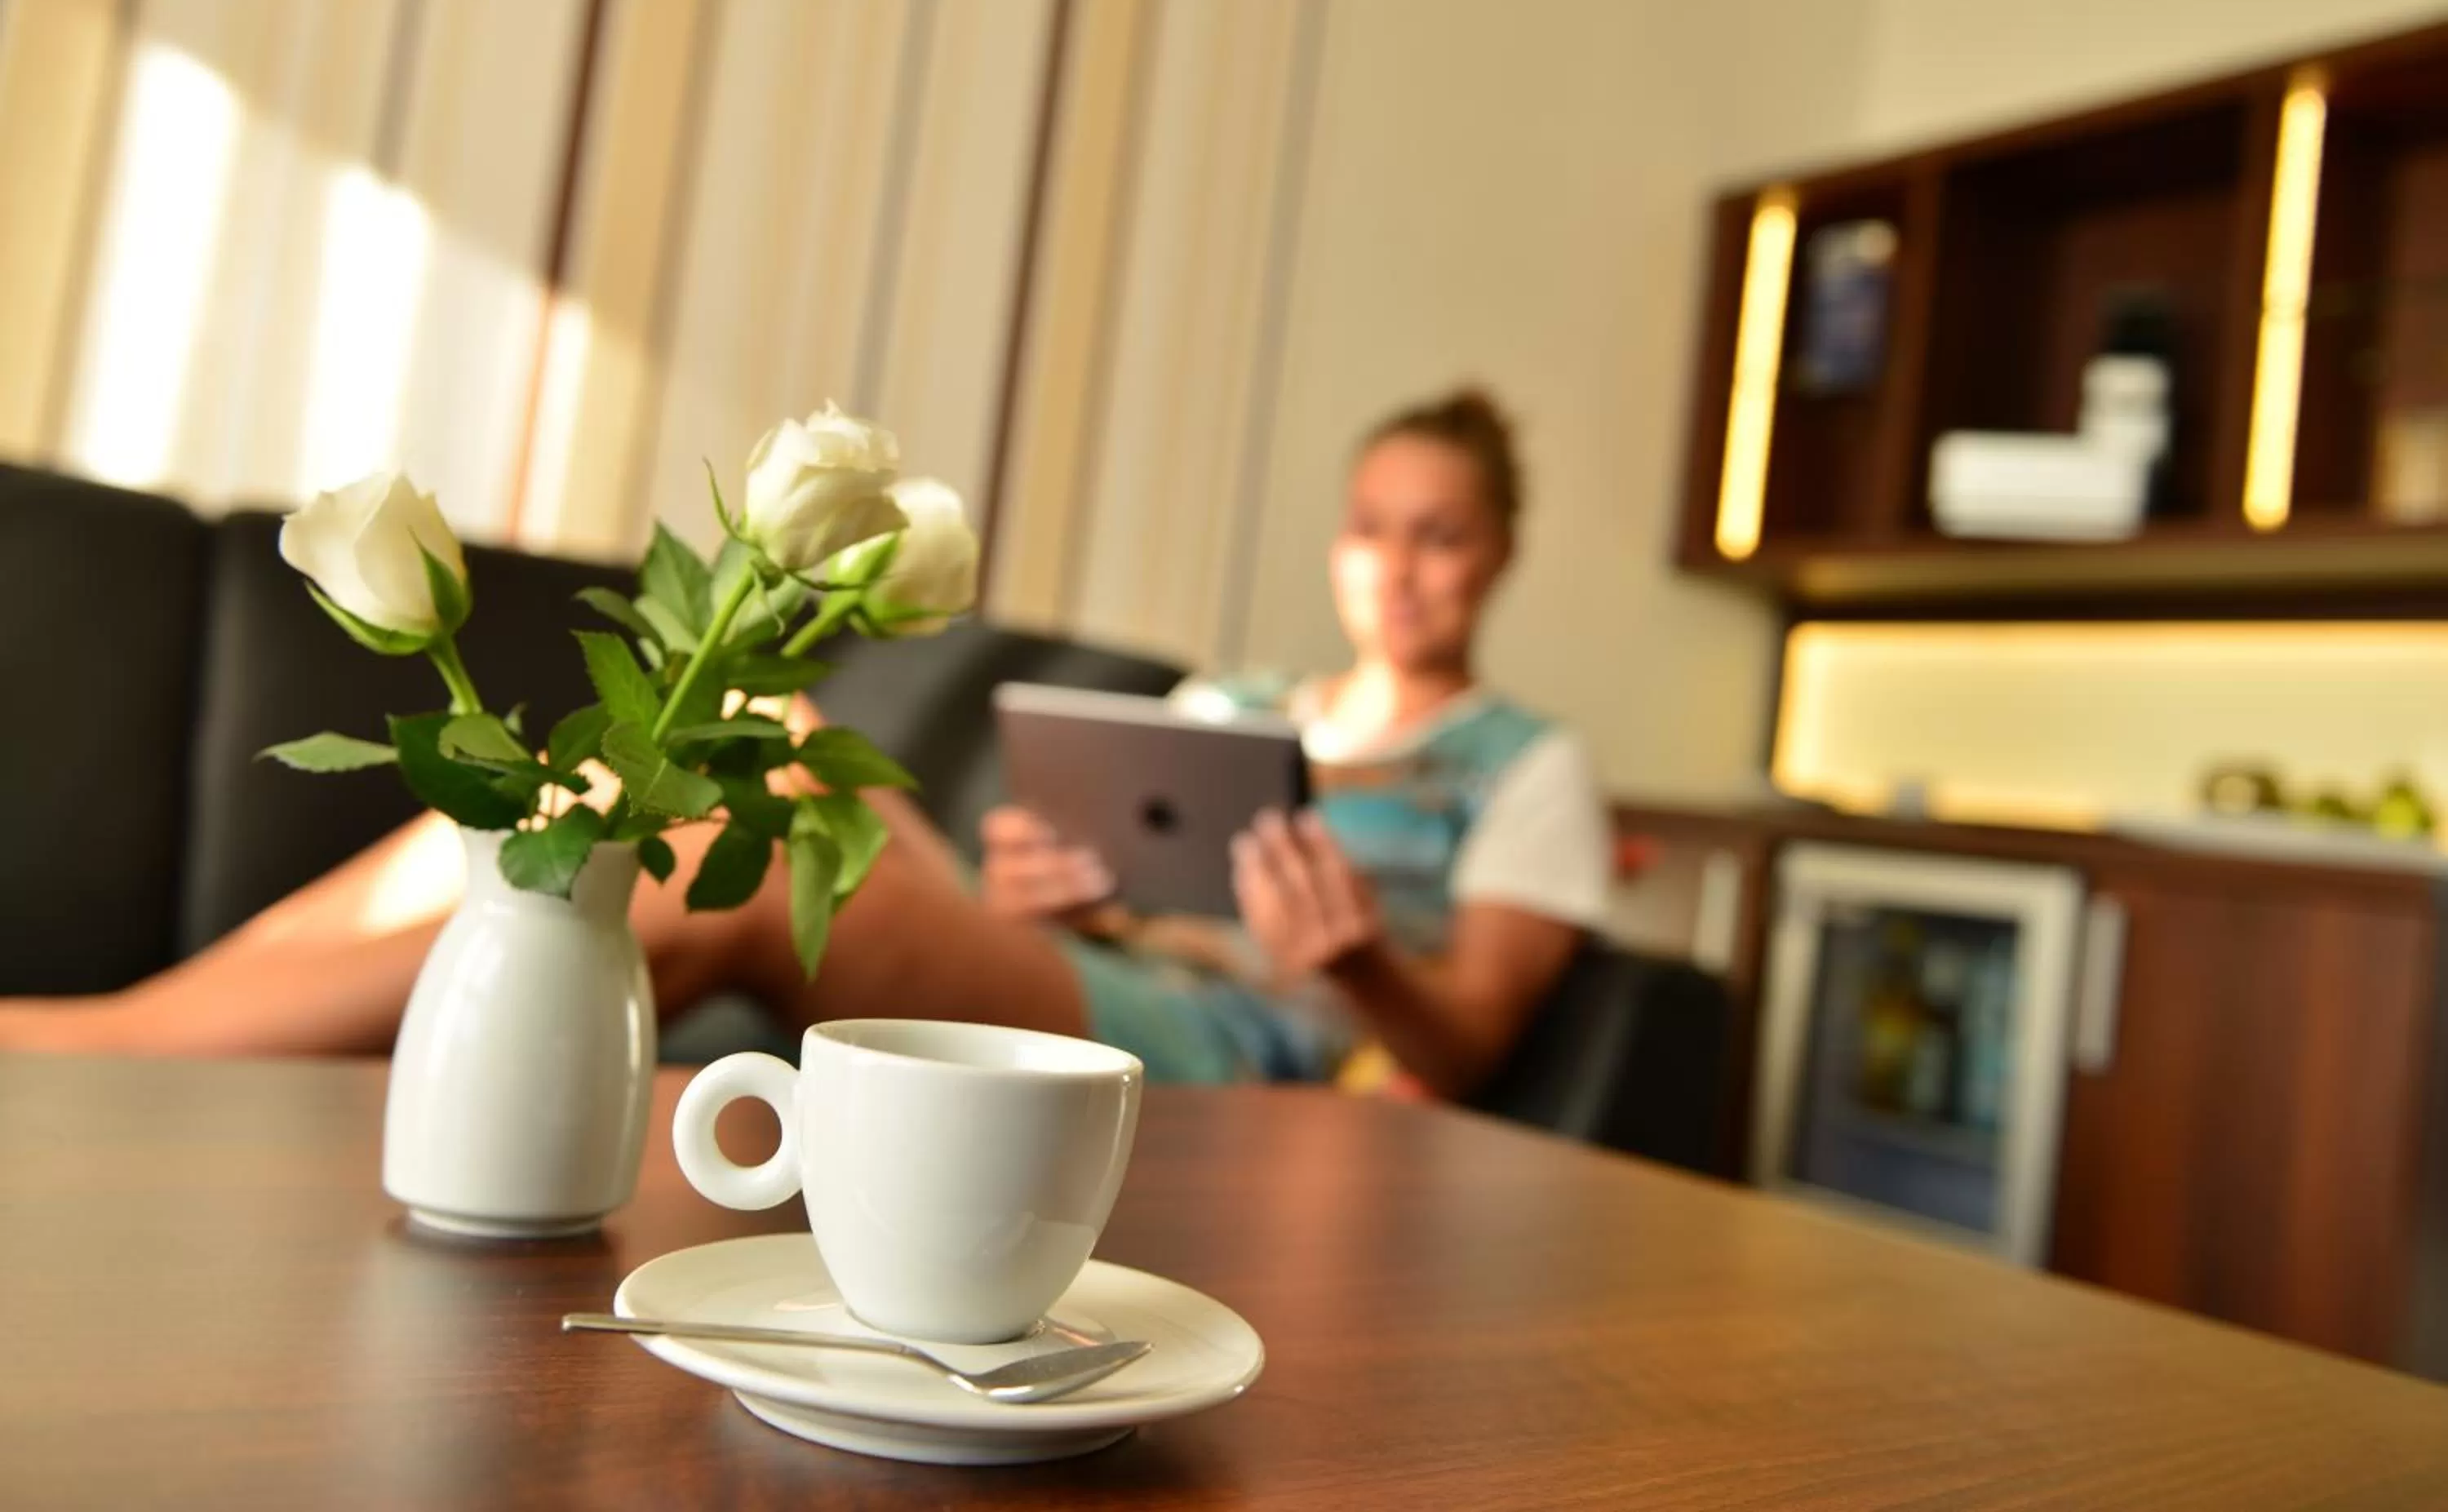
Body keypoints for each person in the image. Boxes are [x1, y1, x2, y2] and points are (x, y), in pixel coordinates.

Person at [0, 389, 1609, 1099]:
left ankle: (99, 1056)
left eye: (1442, 535)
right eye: (1373, 526)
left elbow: (1470, 1042)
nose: (1399, 566)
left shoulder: (1528, 764)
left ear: (1501, 555)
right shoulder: (1234, 706)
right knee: (760, 721)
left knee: (745, 851)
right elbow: (1087, 900)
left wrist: (1356, 962)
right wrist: (1043, 882)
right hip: (1082, 974)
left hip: (1231, 1052)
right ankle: (146, 1019)